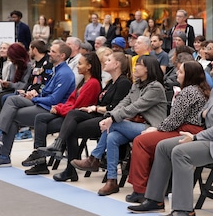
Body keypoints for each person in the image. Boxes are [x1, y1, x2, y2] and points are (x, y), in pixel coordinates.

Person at [127, 49, 213, 216]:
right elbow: (205, 113)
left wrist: (195, 137)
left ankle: (184, 209)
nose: (212, 62)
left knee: (180, 152)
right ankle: (154, 199)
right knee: (163, 147)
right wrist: (204, 115)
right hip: (211, 138)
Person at [22, 52, 131, 177]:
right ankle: (59, 160)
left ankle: (63, 159)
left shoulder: (121, 83)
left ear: (116, 64)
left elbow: (114, 107)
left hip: (105, 119)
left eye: (109, 59)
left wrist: (94, 108)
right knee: (46, 119)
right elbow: (72, 102)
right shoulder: (110, 82)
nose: (105, 62)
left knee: (70, 124)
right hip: (92, 114)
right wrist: (60, 108)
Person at [71, 55, 167, 196]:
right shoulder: (137, 84)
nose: (135, 67)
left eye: (139, 64)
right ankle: (111, 180)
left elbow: (135, 107)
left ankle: (94, 158)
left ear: (147, 69)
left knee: (113, 126)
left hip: (152, 127)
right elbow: (124, 102)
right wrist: (110, 116)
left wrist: (112, 119)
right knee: (113, 137)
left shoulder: (156, 87)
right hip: (135, 124)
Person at [0, 42, 76, 167]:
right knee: (12, 100)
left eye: (53, 52)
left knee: (12, 116)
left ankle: (2, 153)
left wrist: (36, 99)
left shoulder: (65, 74)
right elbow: (46, 91)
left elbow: (54, 100)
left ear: (62, 55)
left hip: (51, 109)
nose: (49, 53)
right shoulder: (58, 70)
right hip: (43, 103)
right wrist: (34, 95)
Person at [126, 61, 210, 203]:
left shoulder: (189, 92)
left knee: (140, 142)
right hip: (189, 129)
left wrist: (157, 129)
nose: (177, 73)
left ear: (189, 75)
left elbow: (174, 120)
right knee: (148, 141)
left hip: (186, 130)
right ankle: (154, 187)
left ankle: (140, 189)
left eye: (181, 72)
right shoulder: (199, 90)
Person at [0, 43, 33, 108]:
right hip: (11, 89)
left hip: (21, 91)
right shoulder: (12, 66)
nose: (10, 59)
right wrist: (4, 84)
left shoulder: (28, 66)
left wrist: (10, 84)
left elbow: (24, 84)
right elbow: (9, 80)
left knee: (4, 97)